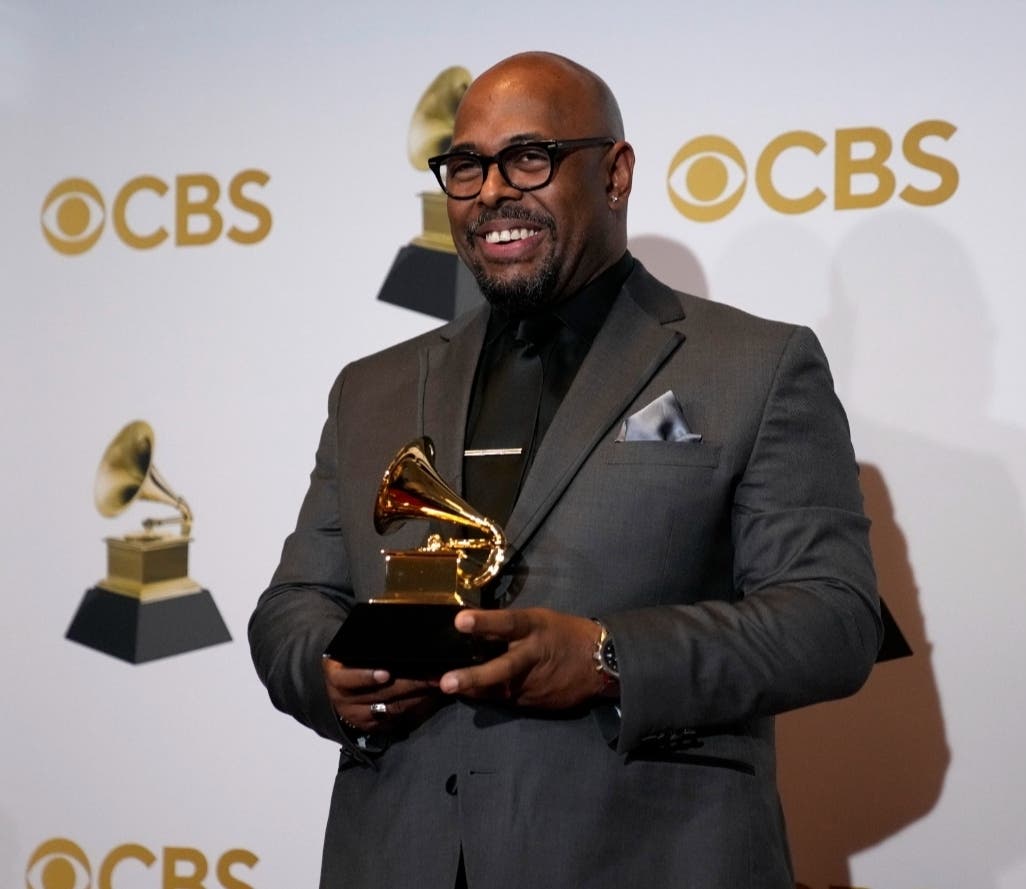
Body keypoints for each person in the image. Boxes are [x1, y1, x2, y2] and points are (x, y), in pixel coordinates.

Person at [248, 51, 882, 889]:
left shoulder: (756, 365)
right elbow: (293, 604)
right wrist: (330, 673)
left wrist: (610, 656)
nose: (492, 192)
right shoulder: (372, 387)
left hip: (646, 859)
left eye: (529, 158)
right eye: (467, 167)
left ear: (615, 174)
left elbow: (832, 621)